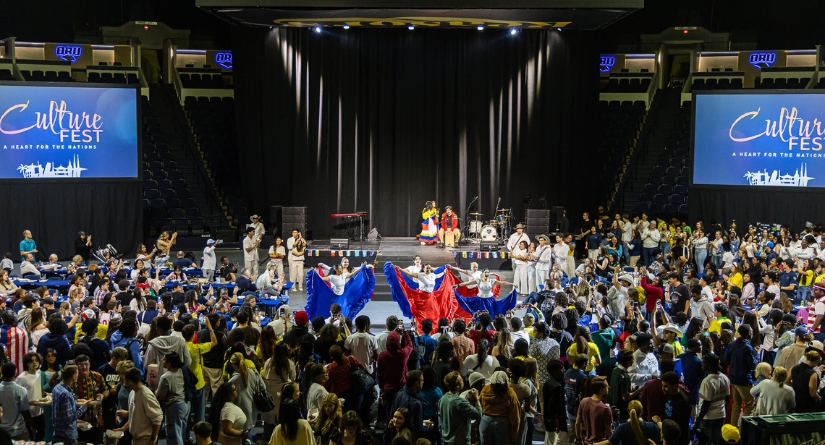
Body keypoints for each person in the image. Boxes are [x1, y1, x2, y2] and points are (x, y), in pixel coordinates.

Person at [52, 365, 96, 444]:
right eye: (77, 373)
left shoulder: (57, 388)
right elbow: (69, 418)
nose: (78, 375)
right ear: (73, 376)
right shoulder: (66, 394)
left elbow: (62, 412)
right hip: (67, 435)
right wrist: (84, 406)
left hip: (58, 431)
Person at [725, 324, 758, 425]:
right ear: (748, 334)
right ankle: (744, 431)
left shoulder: (732, 344)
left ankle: (733, 430)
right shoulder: (747, 347)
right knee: (749, 407)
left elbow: (726, 360)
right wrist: (757, 355)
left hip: (733, 379)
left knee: (736, 406)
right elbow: (752, 365)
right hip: (744, 381)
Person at [693, 354, 729, 445]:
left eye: (703, 363)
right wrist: (720, 408)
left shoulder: (707, 381)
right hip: (721, 415)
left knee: (706, 441)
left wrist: (698, 421)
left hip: (708, 418)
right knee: (717, 441)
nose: (702, 364)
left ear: (709, 365)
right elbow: (727, 399)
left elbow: (706, 403)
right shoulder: (725, 378)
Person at [439, 371, 481, 445]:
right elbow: (478, 414)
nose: (463, 381)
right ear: (457, 385)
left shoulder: (442, 399)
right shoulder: (460, 402)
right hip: (460, 441)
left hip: (446, 440)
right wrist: (477, 397)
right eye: (461, 380)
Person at [156, 352, 190, 445]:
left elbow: (160, 396)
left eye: (164, 359)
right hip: (185, 404)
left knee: (174, 434)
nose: (162, 361)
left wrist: (155, 389)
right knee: (181, 432)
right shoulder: (182, 370)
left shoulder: (166, 377)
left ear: (169, 363)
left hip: (174, 407)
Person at [479, 370, 520, 445]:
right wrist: (514, 435)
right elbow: (514, 415)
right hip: (502, 424)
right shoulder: (510, 392)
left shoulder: (485, 389)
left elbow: (480, 405)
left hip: (485, 421)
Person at [593, 400, 660, 445]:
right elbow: (663, 434)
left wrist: (593, 444)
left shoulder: (622, 428)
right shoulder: (652, 426)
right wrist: (658, 422)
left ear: (628, 410)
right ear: (641, 411)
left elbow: (609, 442)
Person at [390, 370, 430, 441]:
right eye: (422, 380)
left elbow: (392, 415)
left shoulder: (398, 394)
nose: (423, 382)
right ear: (416, 383)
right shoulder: (416, 403)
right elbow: (417, 429)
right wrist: (428, 428)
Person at [0, 362, 36, 440]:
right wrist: (32, 427)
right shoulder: (21, 390)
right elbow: (25, 412)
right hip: (18, 431)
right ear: (15, 373)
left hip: (2, 431)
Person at [655, 372, 690, 445]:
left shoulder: (683, 403)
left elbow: (679, 428)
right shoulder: (669, 393)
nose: (662, 388)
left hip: (678, 441)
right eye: (662, 386)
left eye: (665, 386)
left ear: (674, 386)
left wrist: (658, 422)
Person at [16, 353, 45, 440]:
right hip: (29, 414)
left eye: (36, 360)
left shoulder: (39, 374)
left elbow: (36, 390)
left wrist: (46, 394)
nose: (34, 363)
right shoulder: (22, 378)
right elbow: (17, 398)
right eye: (31, 361)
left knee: (41, 435)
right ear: (27, 363)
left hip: (40, 411)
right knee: (32, 438)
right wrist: (30, 402)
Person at [576, 378, 612, 444]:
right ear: (601, 390)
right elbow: (609, 433)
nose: (609, 387)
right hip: (600, 442)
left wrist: (579, 439)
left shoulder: (583, 401)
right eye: (606, 386)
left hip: (587, 441)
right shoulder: (605, 409)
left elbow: (577, 423)